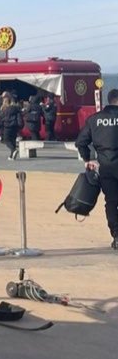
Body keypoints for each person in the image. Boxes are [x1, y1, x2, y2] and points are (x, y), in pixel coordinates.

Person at [76, 89, 118, 250]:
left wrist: (88, 159)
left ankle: (116, 235)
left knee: (112, 202)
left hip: (106, 168)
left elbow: (81, 142)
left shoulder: (95, 120)